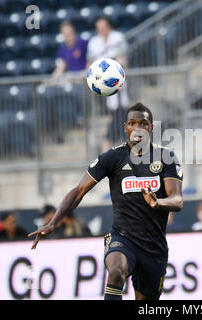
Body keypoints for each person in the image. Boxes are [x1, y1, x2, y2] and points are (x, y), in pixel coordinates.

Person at [28, 102, 184, 300]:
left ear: (151, 127)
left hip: (154, 246)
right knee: (116, 271)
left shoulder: (166, 158)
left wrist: (158, 203)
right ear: (125, 127)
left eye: (143, 123)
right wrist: (53, 221)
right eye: (132, 123)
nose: (138, 128)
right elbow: (79, 190)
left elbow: (177, 200)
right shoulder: (113, 157)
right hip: (123, 237)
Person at [87, 16, 129, 146]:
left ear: (109, 27)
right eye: (99, 28)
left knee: (120, 111)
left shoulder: (118, 38)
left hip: (117, 80)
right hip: (100, 82)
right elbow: (89, 62)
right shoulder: (94, 42)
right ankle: (110, 142)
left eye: (104, 28)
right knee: (117, 114)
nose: (101, 31)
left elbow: (122, 59)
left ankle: (108, 142)